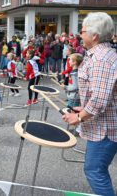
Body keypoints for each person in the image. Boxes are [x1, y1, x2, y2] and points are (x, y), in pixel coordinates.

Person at [62, 12, 117, 196]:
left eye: (83, 30)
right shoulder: (100, 55)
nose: (80, 34)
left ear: (95, 35)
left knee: (95, 171)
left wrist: (78, 117)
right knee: (97, 170)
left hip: (105, 129)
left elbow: (99, 100)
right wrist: (83, 108)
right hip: (104, 125)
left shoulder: (101, 59)